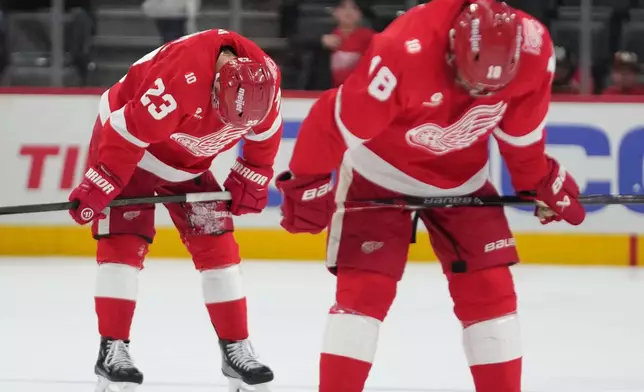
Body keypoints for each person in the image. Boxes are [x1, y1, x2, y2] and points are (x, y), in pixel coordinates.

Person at [275, 1, 585, 392]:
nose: (477, 94)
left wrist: (537, 178)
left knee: (491, 293)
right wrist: (307, 180)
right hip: (378, 174)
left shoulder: (535, 49)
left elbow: (520, 135)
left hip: (464, 180)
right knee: (364, 293)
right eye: (469, 81)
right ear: (453, 47)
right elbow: (333, 120)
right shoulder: (404, 49)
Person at [67, 29, 282, 392]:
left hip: (188, 161)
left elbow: (266, 133)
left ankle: (235, 349)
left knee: (219, 247)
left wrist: (255, 172)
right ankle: (112, 349)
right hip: (130, 149)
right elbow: (126, 131)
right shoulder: (180, 78)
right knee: (123, 244)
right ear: (215, 89)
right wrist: (104, 178)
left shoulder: (265, 81)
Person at [321, 0, 375, 87]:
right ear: (334, 11)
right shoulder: (324, 35)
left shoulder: (371, 37)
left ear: (360, 13)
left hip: (359, 89)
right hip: (328, 90)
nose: (348, 11)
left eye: (354, 8)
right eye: (343, 7)